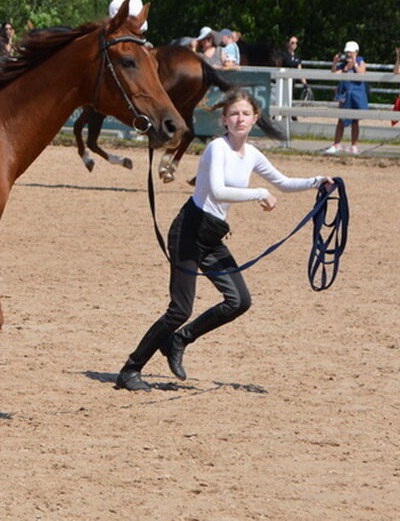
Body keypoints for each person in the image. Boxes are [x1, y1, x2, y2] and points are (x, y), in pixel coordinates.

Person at [114, 88, 332, 391]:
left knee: (239, 301)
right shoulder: (217, 148)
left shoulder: (252, 154)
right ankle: (130, 370)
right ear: (224, 120)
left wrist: (318, 181)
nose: (240, 119)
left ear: (255, 118)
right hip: (189, 232)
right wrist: (258, 193)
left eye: (245, 113)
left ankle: (179, 340)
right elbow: (217, 191)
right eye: (234, 114)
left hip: (213, 237)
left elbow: (282, 182)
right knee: (180, 309)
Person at [324, 41, 367, 155]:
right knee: (341, 120)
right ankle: (336, 144)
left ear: (356, 52)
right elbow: (334, 73)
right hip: (345, 95)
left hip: (356, 95)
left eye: (350, 53)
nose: (348, 55)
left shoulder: (360, 61)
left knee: (355, 121)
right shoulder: (343, 65)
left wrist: (354, 63)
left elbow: (361, 73)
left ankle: (354, 146)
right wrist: (334, 63)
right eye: (347, 53)